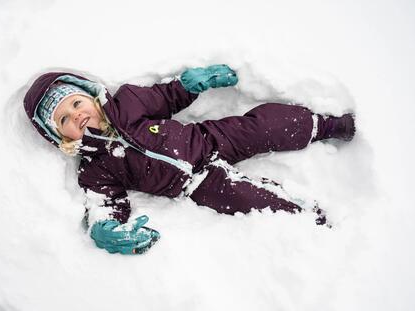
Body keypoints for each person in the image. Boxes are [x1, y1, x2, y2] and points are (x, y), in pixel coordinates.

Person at [23, 65, 355, 255]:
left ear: (91, 96)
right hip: (195, 185)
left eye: (76, 103)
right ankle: (307, 217)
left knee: (262, 127)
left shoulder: (128, 102)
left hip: (207, 138)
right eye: (64, 119)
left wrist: (190, 84)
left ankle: (326, 125)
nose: (76, 116)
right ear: (62, 137)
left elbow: (166, 97)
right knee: (247, 198)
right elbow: (105, 201)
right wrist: (104, 228)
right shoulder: (94, 169)